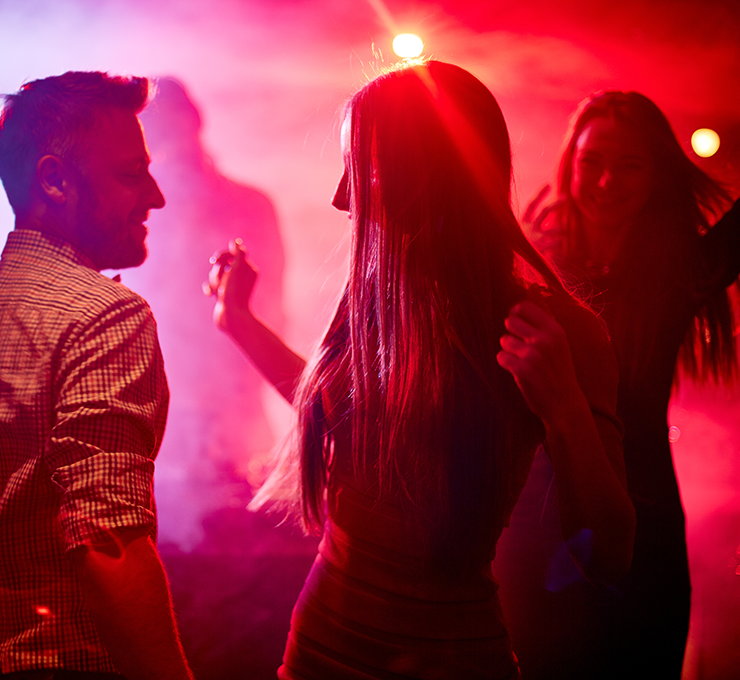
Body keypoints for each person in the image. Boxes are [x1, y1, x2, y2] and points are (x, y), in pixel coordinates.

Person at [206, 61, 636, 679]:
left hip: (449, 657)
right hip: (318, 645)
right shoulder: (380, 288)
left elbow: (611, 555)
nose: (341, 197)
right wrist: (237, 323)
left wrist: (564, 408)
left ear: (432, 171)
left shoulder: (559, 329)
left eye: (366, 164)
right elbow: (337, 416)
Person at [0, 71, 193, 680]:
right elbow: (108, 543)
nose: (156, 196)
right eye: (130, 172)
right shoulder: (107, 316)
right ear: (54, 179)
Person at [494, 90, 740, 679]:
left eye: (631, 164)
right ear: (568, 166)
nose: (607, 181)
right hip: (532, 524)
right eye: (593, 162)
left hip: (645, 523)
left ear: (658, 175)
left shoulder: (681, 272)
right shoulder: (524, 269)